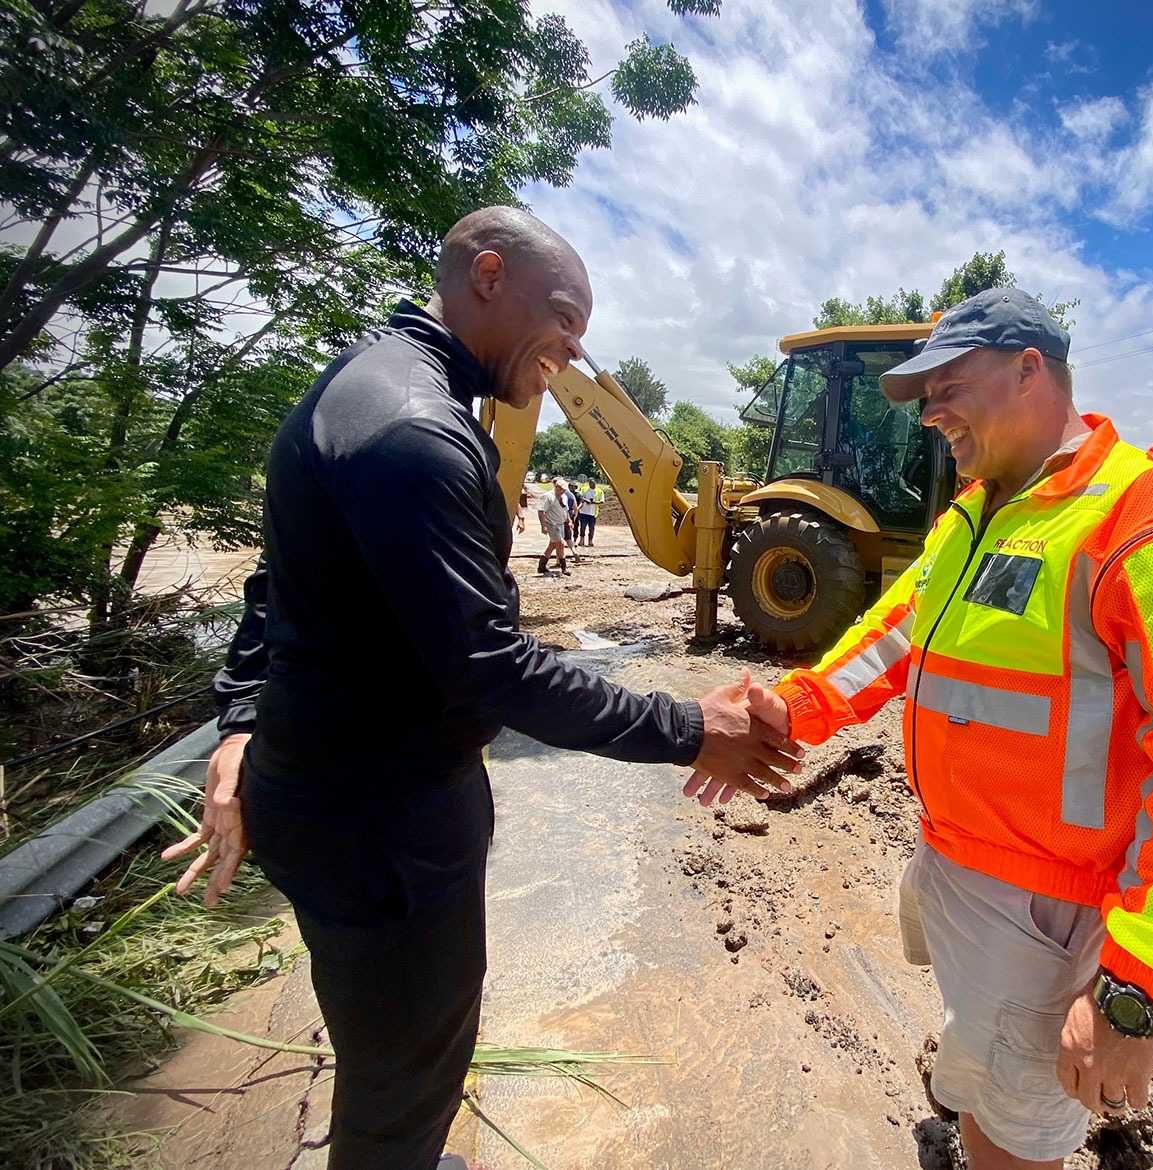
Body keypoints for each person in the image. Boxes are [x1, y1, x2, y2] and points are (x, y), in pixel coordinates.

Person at [162, 206, 801, 1170]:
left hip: (349, 797)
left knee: (390, 1045)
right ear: (488, 275)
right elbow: (489, 661)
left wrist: (243, 723)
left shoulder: (367, 387)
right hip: (380, 820)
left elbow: (277, 591)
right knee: (407, 1069)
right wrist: (687, 725)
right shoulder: (413, 431)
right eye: (565, 316)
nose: (574, 348)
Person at [687, 288, 1153, 1169]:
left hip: (1051, 911)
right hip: (962, 866)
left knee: (1016, 1136)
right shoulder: (976, 511)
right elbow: (895, 632)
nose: (930, 415)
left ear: (1029, 369)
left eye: (946, 386)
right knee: (986, 1075)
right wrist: (796, 706)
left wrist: (1137, 988)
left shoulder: (1152, 520)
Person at [538, 476, 572, 575]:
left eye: (565, 490)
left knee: (553, 545)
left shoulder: (564, 496)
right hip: (552, 524)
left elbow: (565, 510)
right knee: (560, 544)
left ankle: (542, 566)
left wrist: (569, 520)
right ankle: (564, 568)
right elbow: (541, 511)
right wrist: (543, 526)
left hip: (561, 524)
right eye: (562, 490)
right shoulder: (547, 496)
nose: (563, 492)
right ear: (556, 487)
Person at [576, 478, 601, 546]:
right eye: (590, 483)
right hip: (584, 512)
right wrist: (586, 500)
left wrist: (593, 502)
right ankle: (581, 540)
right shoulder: (584, 489)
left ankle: (590, 541)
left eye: (592, 483)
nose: (591, 484)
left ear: (595, 483)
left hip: (593, 513)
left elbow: (601, 501)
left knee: (591, 528)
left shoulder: (599, 491)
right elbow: (580, 496)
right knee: (582, 527)